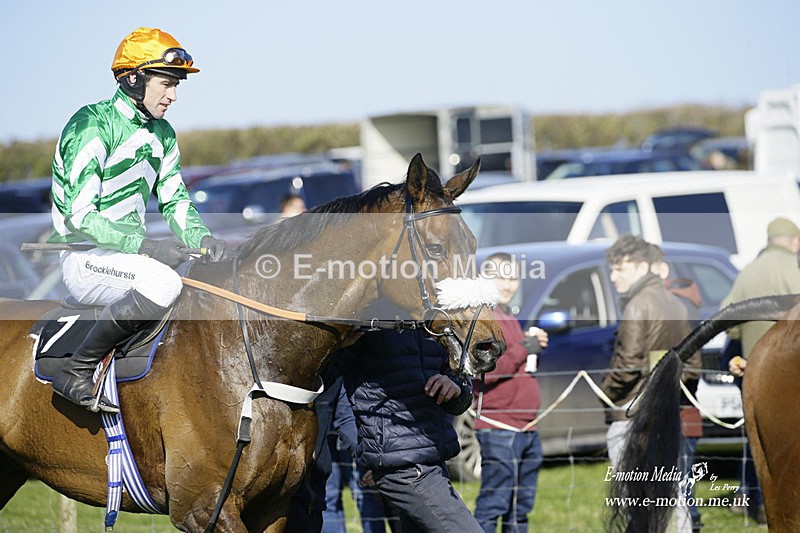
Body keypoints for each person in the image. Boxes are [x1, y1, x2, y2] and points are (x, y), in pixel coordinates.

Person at [47, 27, 230, 413]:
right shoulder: (91, 124)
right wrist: (146, 246)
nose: (173, 96)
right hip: (85, 258)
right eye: (166, 83)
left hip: (127, 260)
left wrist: (203, 240)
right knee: (163, 282)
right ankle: (76, 371)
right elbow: (80, 217)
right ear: (134, 78)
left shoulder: (163, 134)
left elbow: (175, 199)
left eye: (177, 85)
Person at [330, 309, 483, 533]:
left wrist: (456, 388)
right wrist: (369, 454)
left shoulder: (430, 322)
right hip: (405, 468)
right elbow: (338, 400)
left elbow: (459, 386)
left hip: (434, 460)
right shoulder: (367, 319)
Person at [720, 216, 800, 525]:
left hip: (754, 369)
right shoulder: (793, 270)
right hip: (791, 373)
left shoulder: (746, 273)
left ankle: (753, 497)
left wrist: (751, 344)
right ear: (794, 241)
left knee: (761, 446)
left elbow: (729, 325)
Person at [601, 234, 701, 469]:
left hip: (633, 414)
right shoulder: (675, 303)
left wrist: (605, 392)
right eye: (611, 270)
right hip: (668, 413)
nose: (613, 277)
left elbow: (628, 365)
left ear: (642, 267)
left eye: (619, 269)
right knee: (675, 495)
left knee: (633, 496)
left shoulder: (637, 305)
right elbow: (693, 364)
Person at [472, 252, 547, 533]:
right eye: (500, 276)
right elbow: (485, 371)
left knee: (521, 508)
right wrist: (524, 348)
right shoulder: (484, 319)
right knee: (494, 504)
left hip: (526, 426)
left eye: (512, 276)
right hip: (499, 426)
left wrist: (532, 348)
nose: (507, 283)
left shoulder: (510, 317)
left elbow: (515, 364)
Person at [647, 243, 704, 531]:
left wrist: (664, 382)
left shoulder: (678, 305)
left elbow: (694, 362)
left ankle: (691, 524)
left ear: (662, 269)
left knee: (681, 484)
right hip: (658, 411)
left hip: (680, 409)